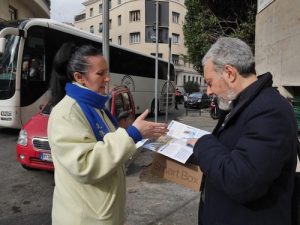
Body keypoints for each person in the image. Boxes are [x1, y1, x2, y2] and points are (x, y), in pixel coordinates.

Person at [47, 42, 168, 225]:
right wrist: (132, 134)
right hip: (84, 218)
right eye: (100, 74)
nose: (107, 79)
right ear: (80, 77)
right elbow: (85, 166)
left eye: (107, 72)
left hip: (103, 213)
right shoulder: (67, 113)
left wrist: (142, 136)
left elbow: (113, 153)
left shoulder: (95, 107)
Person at [187, 37, 298, 225]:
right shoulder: (241, 104)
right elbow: (227, 153)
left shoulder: (271, 110)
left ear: (229, 73)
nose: (208, 92)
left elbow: (242, 181)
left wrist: (203, 144)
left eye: (209, 82)